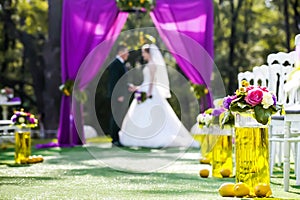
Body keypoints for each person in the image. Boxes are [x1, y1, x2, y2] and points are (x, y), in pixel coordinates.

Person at [119, 44, 199, 148]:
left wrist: (148, 93)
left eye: (144, 52)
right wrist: (137, 88)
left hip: (150, 92)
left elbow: (152, 81)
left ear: (149, 53)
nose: (143, 55)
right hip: (146, 89)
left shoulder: (152, 65)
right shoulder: (149, 64)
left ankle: (153, 137)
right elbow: (146, 81)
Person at [108, 45, 129, 147]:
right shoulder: (115, 64)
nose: (128, 54)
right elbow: (114, 82)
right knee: (116, 116)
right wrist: (118, 95)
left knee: (119, 116)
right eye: (126, 52)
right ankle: (114, 139)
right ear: (121, 52)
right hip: (117, 96)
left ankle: (117, 138)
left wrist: (128, 86)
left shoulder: (121, 64)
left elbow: (122, 81)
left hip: (121, 95)